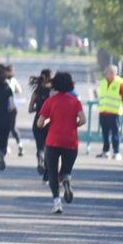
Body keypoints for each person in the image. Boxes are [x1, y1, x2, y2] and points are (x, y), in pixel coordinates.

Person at [36, 71, 85, 214]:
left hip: (53, 140)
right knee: (66, 169)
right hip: (71, 141)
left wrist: (48, 122)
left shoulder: (50, 101)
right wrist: (73, 125)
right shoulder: (75, 101)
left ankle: (57, 203)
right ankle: (66, 179)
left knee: (52, 172)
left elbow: (40, 123)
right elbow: (83, 119)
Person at [96, 63, 123, 159]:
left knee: (115, 134)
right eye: (107, 72)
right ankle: (105, 151)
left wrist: (120, 106)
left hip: (114, 113)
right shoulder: (103, 82)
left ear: (115, 73)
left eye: (111, 72)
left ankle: (116, 152)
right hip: (103, 112)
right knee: (105, 134)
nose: (108, 74)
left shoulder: (120, 83)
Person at [28, 68, 54, 178]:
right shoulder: (53, 92)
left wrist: (39, 109)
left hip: (37, 121)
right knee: (49, 148)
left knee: (40, 146)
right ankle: (47, 174)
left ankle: (40, 158)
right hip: (50, 123)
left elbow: (30, 109)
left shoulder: (36, 92)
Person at [4, 65, 25, 156]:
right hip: (13, 107)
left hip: (5, 107)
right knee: (12, 127)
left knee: (4, 127)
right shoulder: (14, 80)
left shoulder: (4, 81)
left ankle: (5, 146)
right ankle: (20, 144)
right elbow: (19, 90)